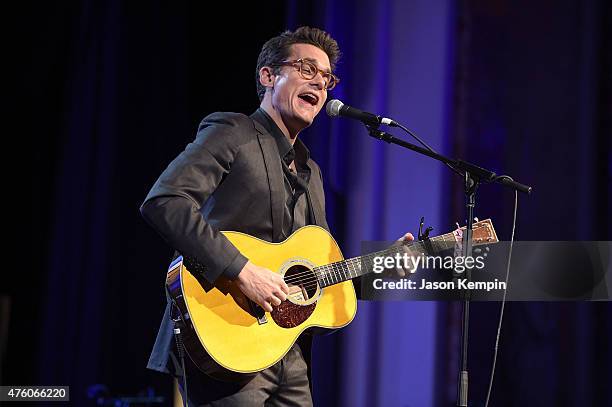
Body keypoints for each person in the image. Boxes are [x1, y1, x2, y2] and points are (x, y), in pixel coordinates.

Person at [141, 26, 412, 406]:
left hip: (289, 352)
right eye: (306, 69)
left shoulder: (312, 172)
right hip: (228, 341)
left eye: (327, 78)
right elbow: (165, 200)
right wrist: (241, 270)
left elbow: (319, 273)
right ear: (268, 76)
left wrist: (380, 268)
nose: (319, 84)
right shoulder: (232, 132)